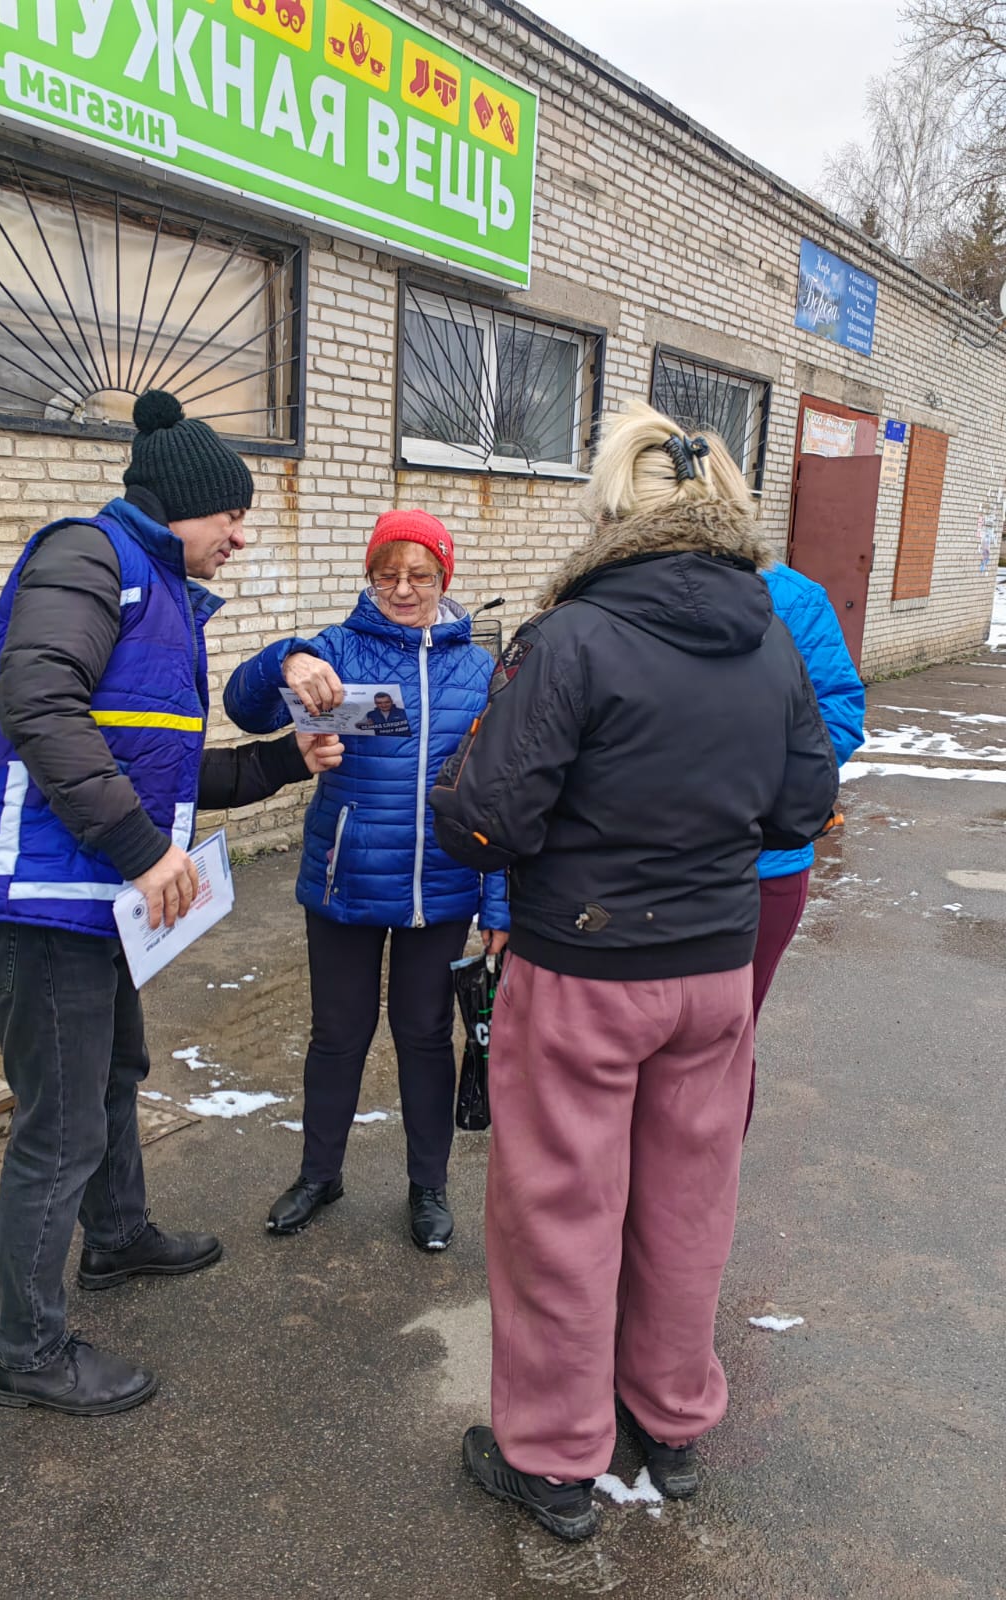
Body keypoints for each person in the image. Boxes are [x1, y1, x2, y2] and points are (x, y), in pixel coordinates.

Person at [430, 401, 838, 1540]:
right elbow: (803, 804)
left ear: (615, 513)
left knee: (560, 1210)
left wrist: (454, 792)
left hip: (585, 969)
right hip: (712, 976)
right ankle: (670, 1418)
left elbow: (489, 822)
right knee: (687, 1199)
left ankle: (556, 1458)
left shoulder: (570, 637)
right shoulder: (769, 637)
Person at [0, 390, 342, 1417]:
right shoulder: (89, 556)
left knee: (113, 1073)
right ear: (181, 503)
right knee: (60, 1128)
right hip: (33, 893)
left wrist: (286, 761)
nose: (242, 536)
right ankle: (27, 1353)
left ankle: (115, 1237)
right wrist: (145, 851)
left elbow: (162, 768)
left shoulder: (156, 594)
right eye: (232, 515)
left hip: (84, 894)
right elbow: (38, 703)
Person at [223, 510, 509, 1250]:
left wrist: (499, 902)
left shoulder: (479, 671)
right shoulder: (336, 650)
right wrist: (285, 659)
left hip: (440, 887)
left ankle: (428, 1186)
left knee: (424, 1036)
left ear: (445, 577)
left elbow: (499, 793)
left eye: (420, 576)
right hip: (344, 879)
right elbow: (243, 706)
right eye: (388, 576)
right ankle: (320, 1174)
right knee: (337, 1035)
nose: (403, 590)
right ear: (369, 577)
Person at [749, 563, 864, 1130]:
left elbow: (837, 716)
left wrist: (752, 804)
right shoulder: (610, 586)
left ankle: (703, 1180)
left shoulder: (789, 598)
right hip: (630, 867)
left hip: (761, 866)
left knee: (725, 1037)